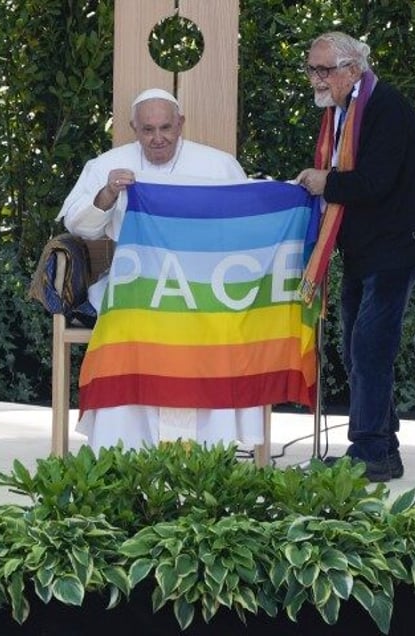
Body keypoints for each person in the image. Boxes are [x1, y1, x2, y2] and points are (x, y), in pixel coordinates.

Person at [57, 88, 265, 453]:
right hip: (134, 282)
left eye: (166, 128)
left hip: (202, 283)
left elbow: (244, 220)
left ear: (181, 123)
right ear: (133, 128)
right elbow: (78, 226)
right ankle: (125, 446)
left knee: (220, 322)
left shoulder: (218, 165)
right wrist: (107, 194)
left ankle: (209, 449)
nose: (157, 139)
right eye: (147, 130)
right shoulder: (108, 165)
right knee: (131, 323)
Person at [295, 32, 415, 482]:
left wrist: (325, 183)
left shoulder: (385, 107)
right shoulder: (343, 110)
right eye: (311, 69)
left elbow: (375, 181)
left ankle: (370, 450)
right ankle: (381, 448)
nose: (315, 79)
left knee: (370, 345)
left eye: (324, 70)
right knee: (359, 344)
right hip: (365, 247)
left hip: (397, 243)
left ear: (353, 70)